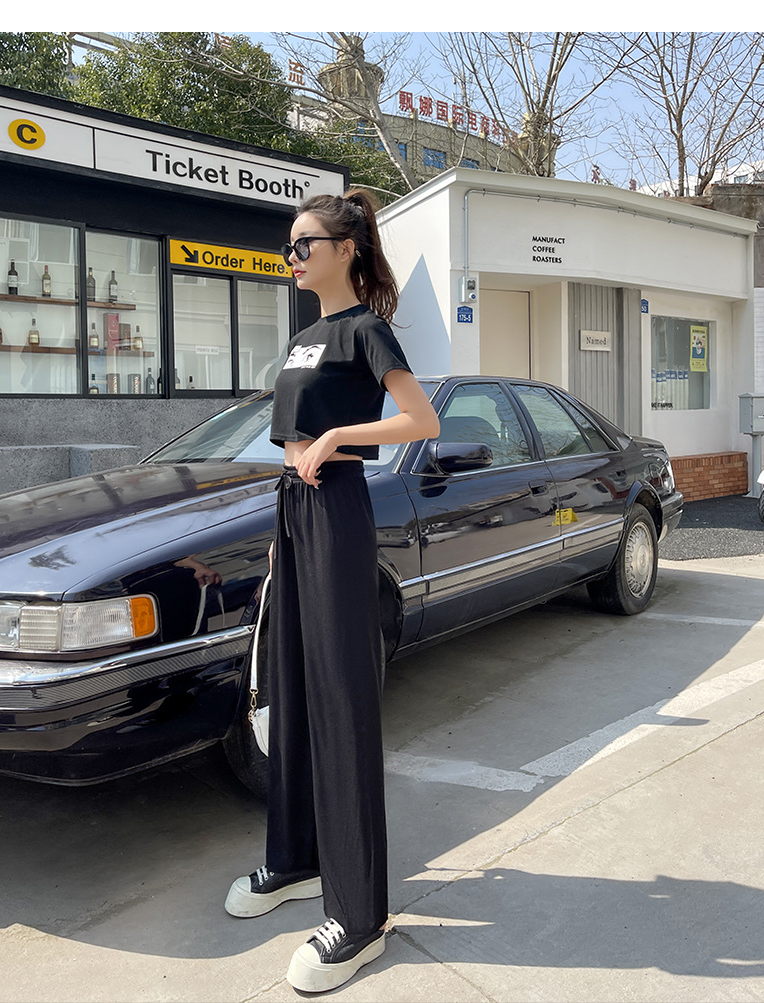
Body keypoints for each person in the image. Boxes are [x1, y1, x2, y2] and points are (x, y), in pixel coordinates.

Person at [223, 188, 439, 993]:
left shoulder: (364, 330)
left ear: (345, 248)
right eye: (289, 246)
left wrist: (342, 434)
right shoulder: (303, 338)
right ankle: (296, 858)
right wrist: (278, 531)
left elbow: (421, 420)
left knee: (343, 700)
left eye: (304, 243)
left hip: (339, 506)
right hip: (292, 510)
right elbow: (286, 437)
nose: (292, 257)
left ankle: (360, 912)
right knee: (291, 688)